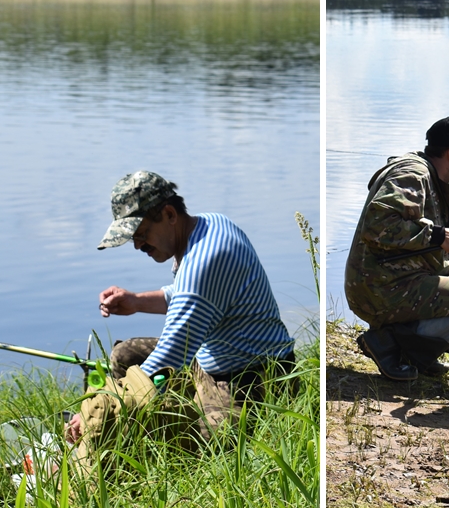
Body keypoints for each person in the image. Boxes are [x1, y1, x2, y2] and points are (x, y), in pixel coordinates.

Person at [65, 171, 295, 462]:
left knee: (179, 449)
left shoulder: (205, 261)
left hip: (252, 380)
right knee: (126, 355)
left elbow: (172, 353)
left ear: (169, 214)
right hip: (209, 360)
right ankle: (131, 424)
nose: (137, 245)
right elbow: (192, 298)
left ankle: (122, 440)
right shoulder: (209, 224)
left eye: (141, 233)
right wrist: (136, 301)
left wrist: (98, 411)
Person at [345, 115, 449, 382]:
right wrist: (438, 235)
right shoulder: (412, 174)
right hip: (378, 287)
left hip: (405, 277)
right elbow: (377, 225)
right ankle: (391, 343)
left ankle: (412, 350)